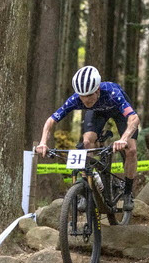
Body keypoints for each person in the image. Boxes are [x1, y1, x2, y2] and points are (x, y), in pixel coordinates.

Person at [35, 66, 140, 211]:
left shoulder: (112, 93)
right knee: (86, 142)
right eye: (82, 96)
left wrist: (124, 138)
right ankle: (87, 184)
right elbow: (51, 121)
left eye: (89, 95)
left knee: (131, 150)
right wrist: (43, 142)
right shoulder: (76, 99)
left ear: (97, 90)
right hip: (97, 113)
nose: (85, 100)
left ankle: (127, 193)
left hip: (119, 113)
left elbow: (134, 118)